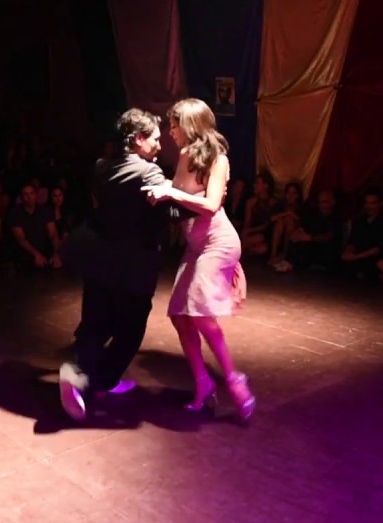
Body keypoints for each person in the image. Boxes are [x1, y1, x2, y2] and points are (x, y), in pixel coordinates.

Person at [144, 98, 255, 421]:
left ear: (190, 125)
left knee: (202, 315)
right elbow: (180, 195)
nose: (170, 131)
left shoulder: (217, 159)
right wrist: (161, 187)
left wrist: (171, 193)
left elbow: (208, 204)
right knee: (180, 315)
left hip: (217, 242)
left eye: (174, 124)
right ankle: (204, 384)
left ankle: (235, 380)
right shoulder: (183, 156)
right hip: (196, 245)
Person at [57, 109, 171, 421]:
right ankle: (100, 379)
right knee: (132, 327)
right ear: (138, 139)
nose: (160, 145)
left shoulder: (101, 167)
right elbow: (166, 212)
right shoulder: (149, 173)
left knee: (95, 323)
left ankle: (79, 376)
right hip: (134, 266)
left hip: (99, 260)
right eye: (156, 139)